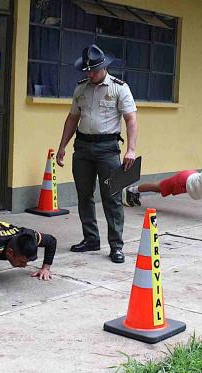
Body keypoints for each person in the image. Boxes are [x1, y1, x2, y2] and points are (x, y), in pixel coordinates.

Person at [55, 44, 138, 264]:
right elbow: (72, 118)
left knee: (112, 197)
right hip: (82, 148)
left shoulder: (120, 88)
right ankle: (90, 238)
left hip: (108, 149)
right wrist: (62, 146)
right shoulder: (81, 88)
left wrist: (131, 150)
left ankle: (116, 246)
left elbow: (131, 119)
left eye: (92, 70)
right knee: (84, 195)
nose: (89, 74)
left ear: (103, 67)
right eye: (86, 70)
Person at [122, 153, 202, 227]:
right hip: (184, 181)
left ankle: (133, 191)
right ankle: (131, 190)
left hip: (192, 182)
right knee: (159, 188)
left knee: (159, 188)